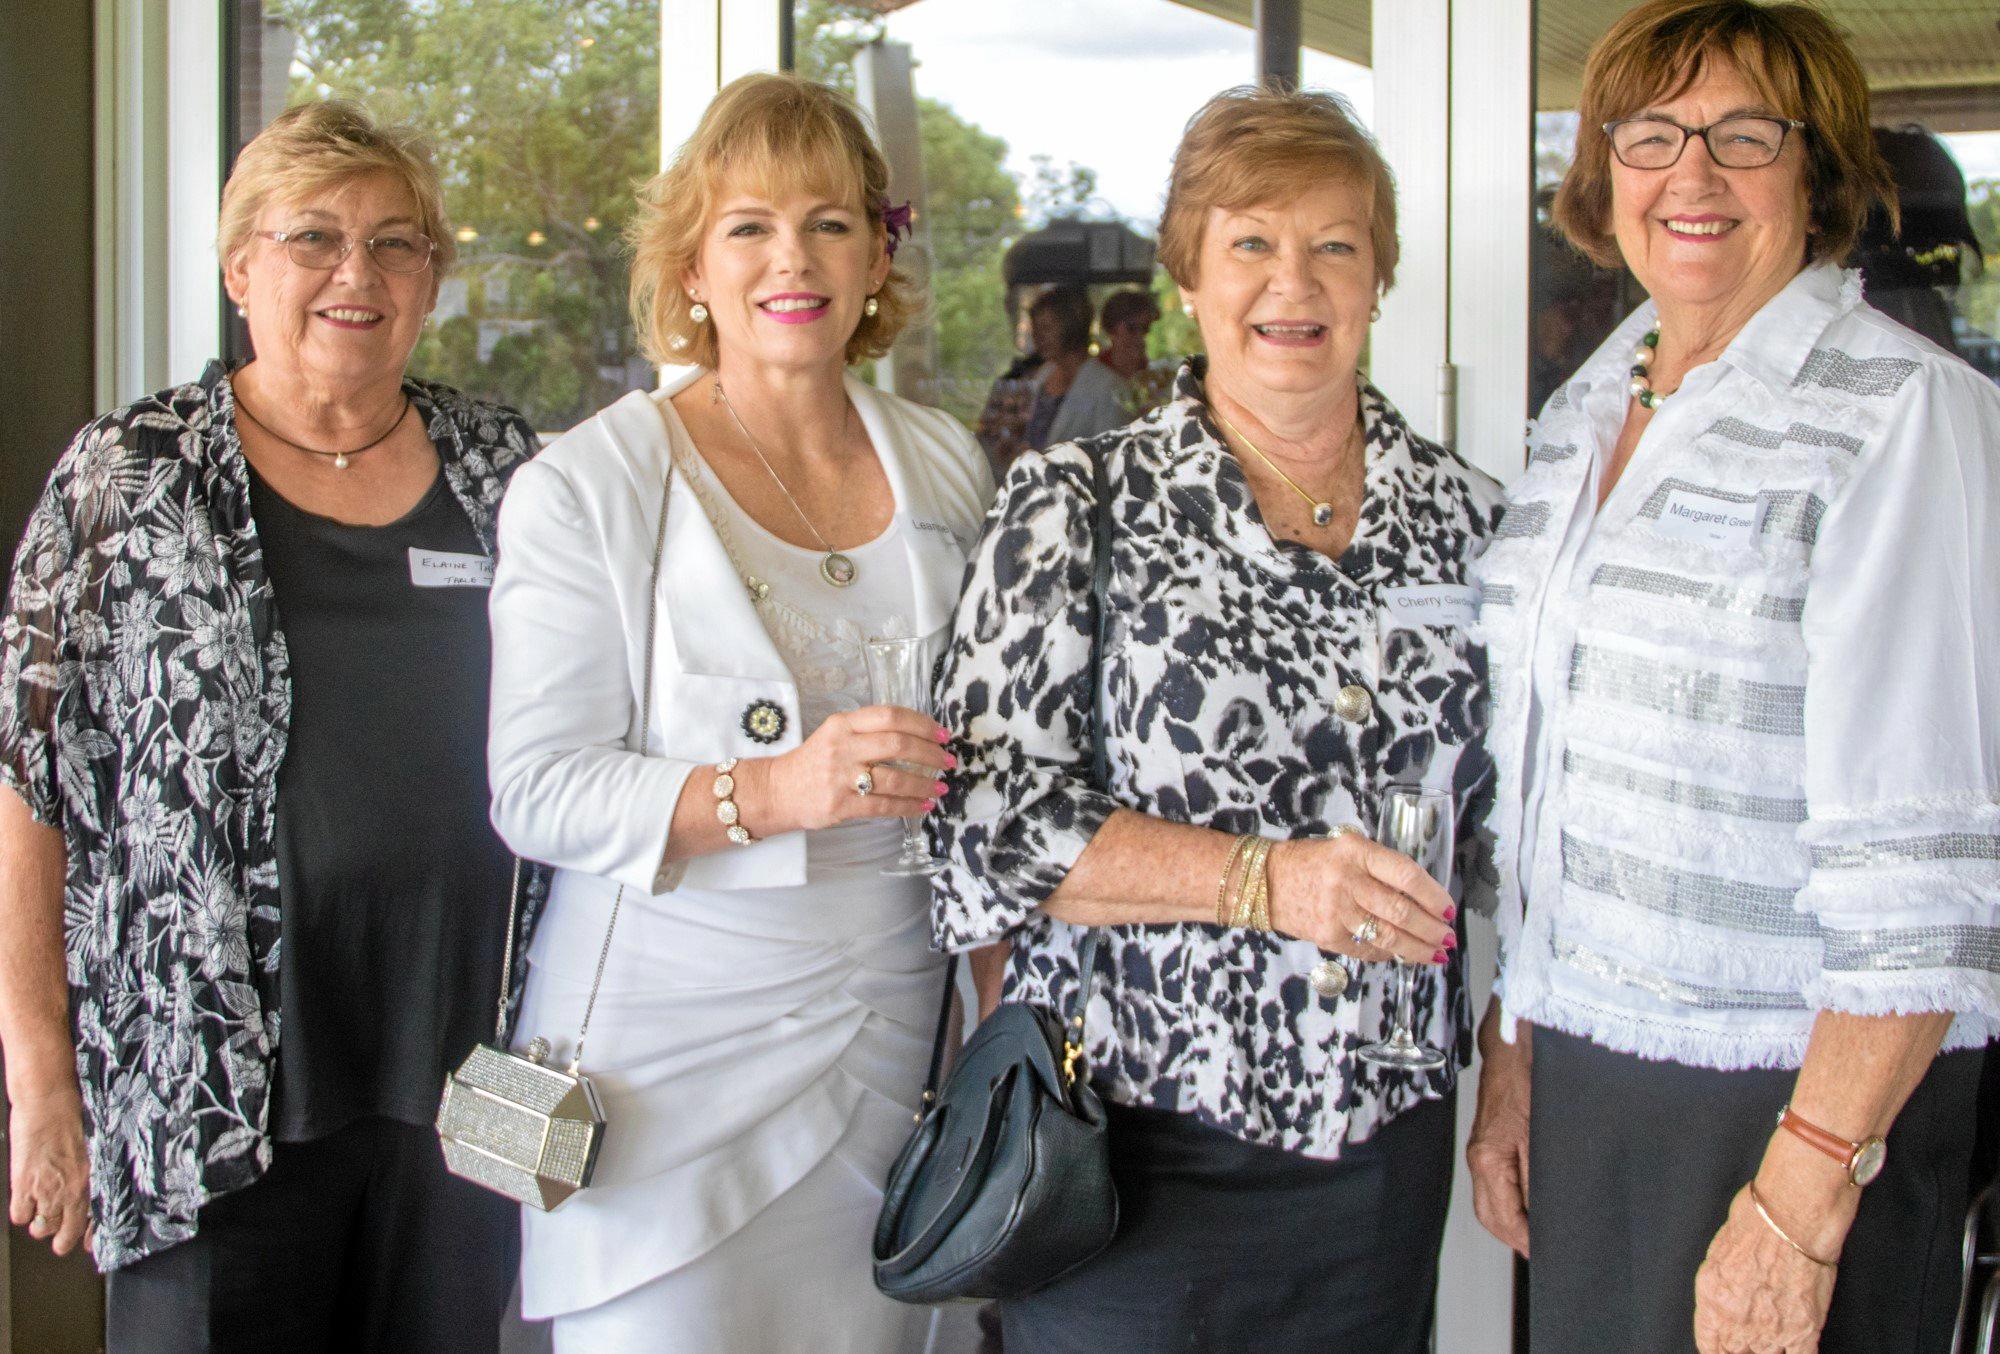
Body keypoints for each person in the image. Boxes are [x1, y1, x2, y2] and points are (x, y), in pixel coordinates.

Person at [930, 83, 1503, 1353]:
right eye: (1248, 241)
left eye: (1332, 245)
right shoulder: (1076, 503)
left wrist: (1511, 1064)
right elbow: (984, 825)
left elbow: (1518, 834)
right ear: (1188, 272)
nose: (1289, 282)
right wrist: (1266, 882)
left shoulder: (1467, 523)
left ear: (1377, 276)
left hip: (1381, 1147)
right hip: (1131, 1147)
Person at [1463, 4, 2000, 1352]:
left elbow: (1931, 863)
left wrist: (1804, 1192)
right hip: (1596, 1068)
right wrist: (1519, 1051)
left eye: (1742, 135)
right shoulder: (1592, 407)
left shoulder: (1902, 413)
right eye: (1650, 136)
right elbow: (1550, 776)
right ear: (1602, 174)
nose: (1689, 176)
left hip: (1799, 1103)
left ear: (1814, 174)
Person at [0, 100, 541, 1352]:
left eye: (398, 244)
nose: (358, 274)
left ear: (432, 279)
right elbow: (30, 781)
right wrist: (41, 1080)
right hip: (204, 1092)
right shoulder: (130, 473)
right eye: (315, 238)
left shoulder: (506, 469)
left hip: (478, 1077)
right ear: (241, 267)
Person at [485, 72, 991, 1354]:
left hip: (895, 1035)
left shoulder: (943, 461)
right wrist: (773, 792)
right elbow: (533, 787)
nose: (793, 259)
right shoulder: (587, 484)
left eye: (830, 222)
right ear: (691, 265)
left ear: (878, 253)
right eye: (749, 225)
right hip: (658, 1070)